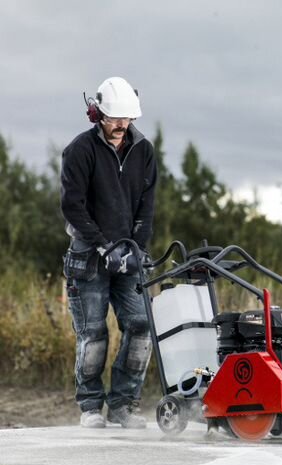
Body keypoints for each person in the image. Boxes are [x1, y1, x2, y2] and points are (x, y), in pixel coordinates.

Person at [60, 77, 157, 428]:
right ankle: (90, 407)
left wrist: (137, 246)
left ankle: (123, 406)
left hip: (128, 256)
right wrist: (103, 245)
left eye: (127, 118)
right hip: (88, 257)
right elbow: (73, 207)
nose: (121, 125)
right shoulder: (79, 150)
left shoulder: (143, 149)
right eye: (115, 118)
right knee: (93, 332)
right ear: (97, 113)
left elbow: (147, 205)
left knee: (142, 325)